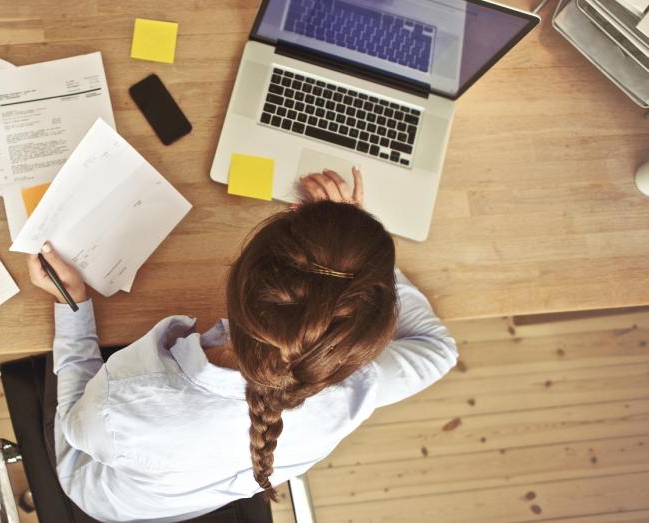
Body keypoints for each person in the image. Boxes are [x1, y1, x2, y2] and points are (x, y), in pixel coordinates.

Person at [27, 168, 458, 523]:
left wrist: (74, 306)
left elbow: (75, 429)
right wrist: (356, 258)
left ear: (236, 276)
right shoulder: (356, 392)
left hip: (102, 498)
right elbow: (438, 351)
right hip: (199, 496)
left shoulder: (124, 400)